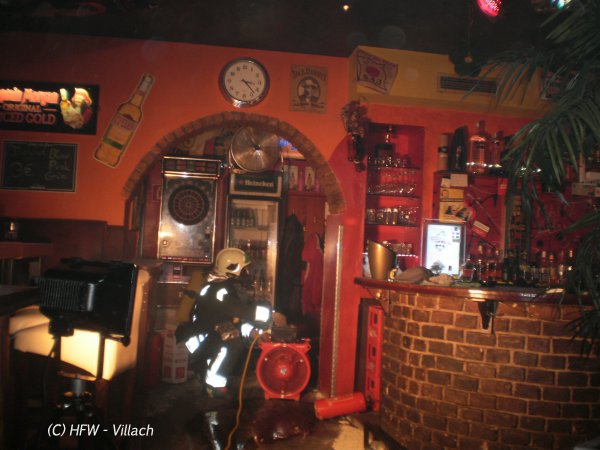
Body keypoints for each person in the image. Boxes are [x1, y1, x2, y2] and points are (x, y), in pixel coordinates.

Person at [175, 248, 271, 398]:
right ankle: (213, 385)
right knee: (233, 341)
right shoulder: (219, 291)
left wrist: (253, 332)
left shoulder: (222, 287)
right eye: (244, 270)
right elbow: (243, 312)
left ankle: (211, 374)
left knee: (236, 336)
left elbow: (234, 320)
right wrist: (271, 315)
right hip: (198, 339)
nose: (247, 274)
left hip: (207, 334)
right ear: (231, 269)